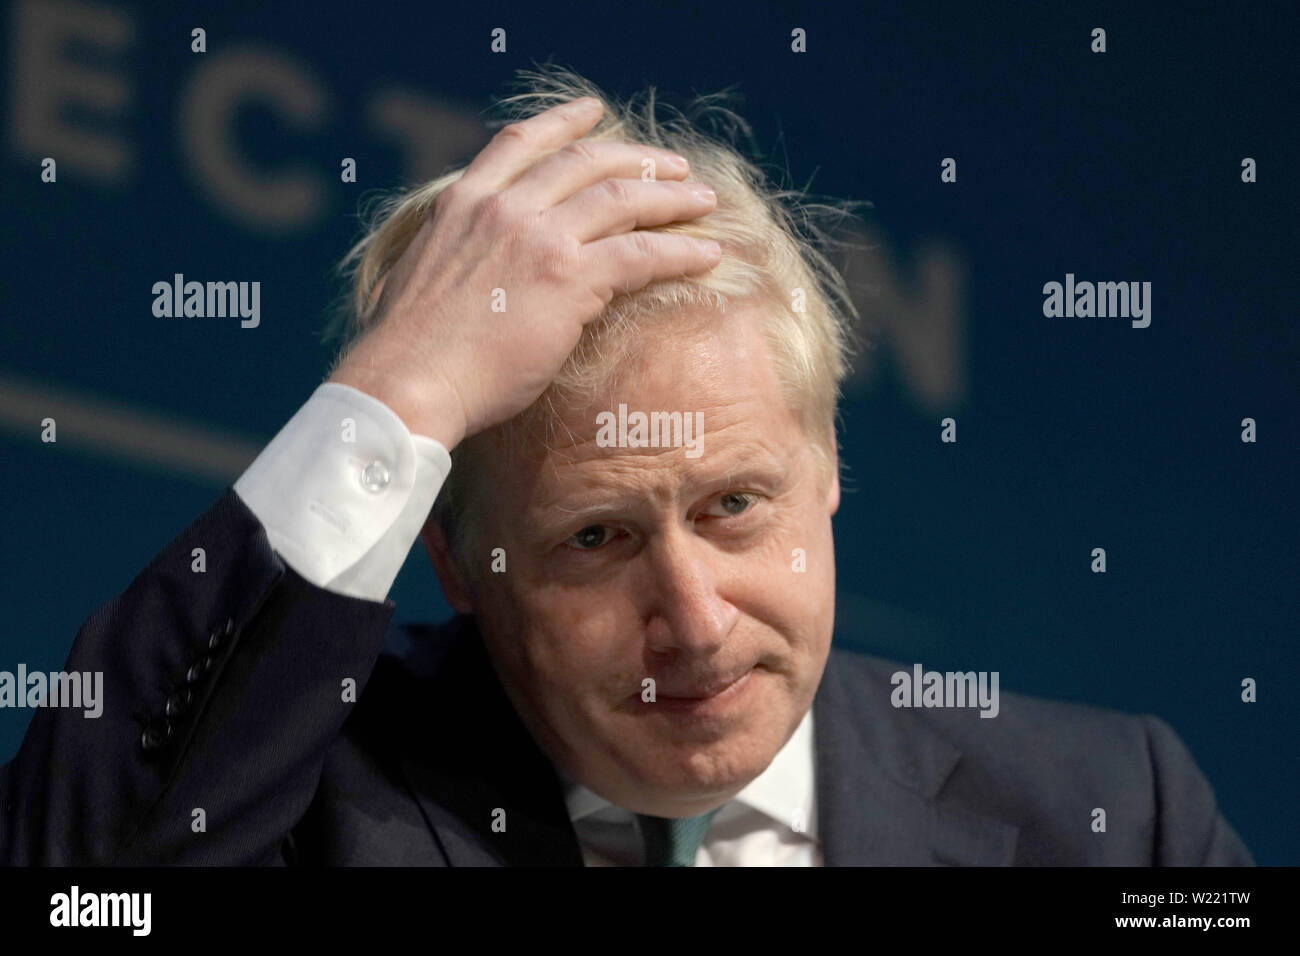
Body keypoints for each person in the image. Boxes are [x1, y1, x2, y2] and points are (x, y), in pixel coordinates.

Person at [0, 68, 1251, 866]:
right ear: (454, 555)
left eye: (735, 505)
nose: (696, 624)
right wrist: (399, 397)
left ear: (827, 470)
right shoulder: (313, 786)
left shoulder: (1110, 814)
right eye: (594, 537)